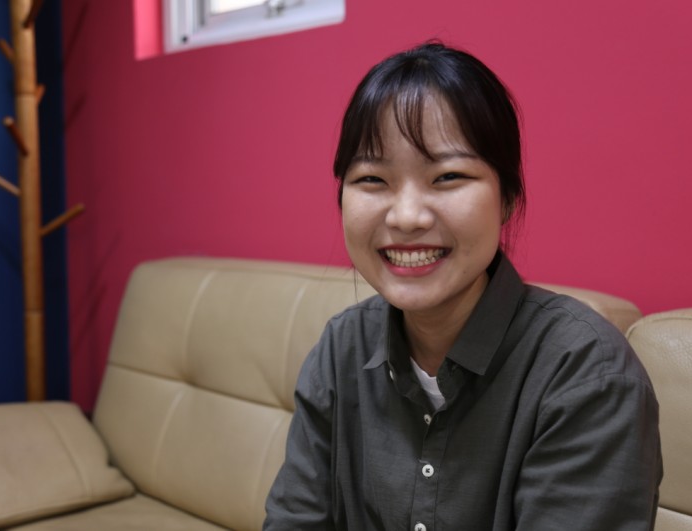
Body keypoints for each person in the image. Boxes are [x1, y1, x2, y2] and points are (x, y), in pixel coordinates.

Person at [263, 42, 662, 531]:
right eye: (372, 179)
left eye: (447, 176)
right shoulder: (340, 350)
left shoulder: (585, 374)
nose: (407, 217)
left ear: (507, 198)